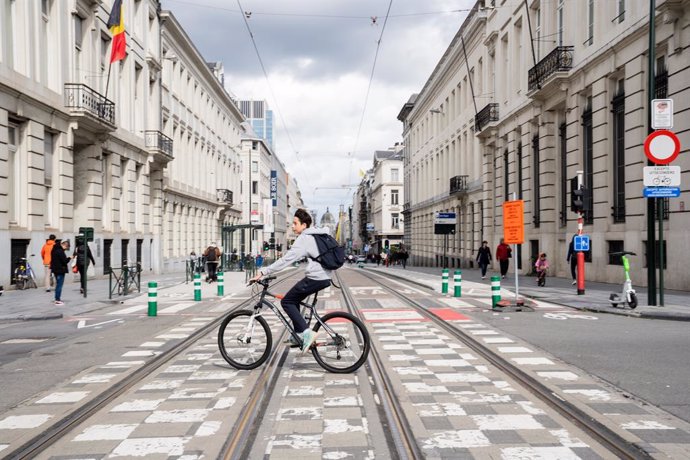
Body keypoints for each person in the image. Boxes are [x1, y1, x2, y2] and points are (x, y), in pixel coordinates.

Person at [250, 209, 332, 353]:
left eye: (295, 223)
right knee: (294, 300)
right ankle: (298, 335)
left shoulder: (305, 238)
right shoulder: (316, 234)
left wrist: (263, 272)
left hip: (316, 277)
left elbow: (286, 260)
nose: (292, 227)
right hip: (323, 276)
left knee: (286, 302)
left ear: (304, 225)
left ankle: (306, 334)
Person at [50, 239, 71, 305]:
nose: (66, 249)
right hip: (60, 270)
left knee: (58, 284)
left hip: (55, 269)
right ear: (64, 245)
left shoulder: (54, 249)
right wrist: (69, 258)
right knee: (59, 285)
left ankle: (57, 298)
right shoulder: (60, 251)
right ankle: (57, 299)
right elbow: (64, 261)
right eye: (66, 247)